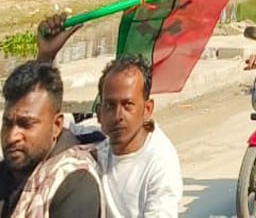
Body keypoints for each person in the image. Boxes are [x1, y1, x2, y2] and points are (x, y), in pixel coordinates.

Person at [34, 19, 182, 218]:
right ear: (99, 112)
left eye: (128, 105)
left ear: (147, 109)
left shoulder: (160, 162)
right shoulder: (97, 139)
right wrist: (46, 57)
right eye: (110, 106)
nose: (118, 116)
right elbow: (44, 122)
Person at [0, 61, 104, 217]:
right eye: (7, 124)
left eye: (26, 124)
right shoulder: (9, 170)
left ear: (56, 125)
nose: (12, 136)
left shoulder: (74, 182)